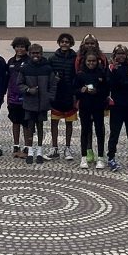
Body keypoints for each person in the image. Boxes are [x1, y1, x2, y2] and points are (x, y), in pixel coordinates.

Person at [106, 44, 128, 173]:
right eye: (118, 53)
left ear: (127, 54)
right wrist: (122, 81)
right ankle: (111, 157)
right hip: (116, 106)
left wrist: (125, 84)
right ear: (114, 55)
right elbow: (111, 84)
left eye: (123, 53)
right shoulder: (111, 67)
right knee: (114, 133)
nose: (121, 56)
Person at [19, 44, 55, 164]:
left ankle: (39, 150)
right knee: (30, 127)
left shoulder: (47, 68)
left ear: (42, 53)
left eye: (38, 53)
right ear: (29, 54)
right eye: (33, 53)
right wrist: (28, 90)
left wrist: (50, 97)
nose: (36, 55)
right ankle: (29, 151)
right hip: (30, 102)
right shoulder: (25, 68)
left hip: (43, 103)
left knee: (40, 127)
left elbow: (53, 84)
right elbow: (19, 84)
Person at [75, 49, 109, 169]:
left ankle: (100, 157)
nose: (91, 63)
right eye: (89, 61)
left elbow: (106, 91)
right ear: (85, 61)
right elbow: (75, 90)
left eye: (94, 61)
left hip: (98, 106)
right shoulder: (80, 74)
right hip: (85, 107)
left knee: (100, 132)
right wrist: (81, 90)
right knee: (85, 131)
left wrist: (97, 91)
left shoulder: (101, 73)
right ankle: (83, 157)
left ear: (97, 61)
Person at [48, 32, 78, 160]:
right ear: (59, 43)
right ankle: (54, 147)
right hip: (57, 93)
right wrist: (54, 79)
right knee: (54, 121)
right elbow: (49, 75)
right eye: (62, 41)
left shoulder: (75, 58)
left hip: (69, 93)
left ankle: (67, 147)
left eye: (67, 42)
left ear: (71, 44)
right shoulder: (52, 58)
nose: (64, 44)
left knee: (69, 122)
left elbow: (77, 75)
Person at [5, 37, 30, 158]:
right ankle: (16, 145)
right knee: (15, 122)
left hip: (26, 98)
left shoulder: (29, 61)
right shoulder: (10, 61)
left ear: (26, 48)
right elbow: (7, 78)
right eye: (17, 46)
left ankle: (26, 147)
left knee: (26, 123)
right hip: (13, 97)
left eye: (22, 46)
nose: (19, 49)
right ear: (14, 47)